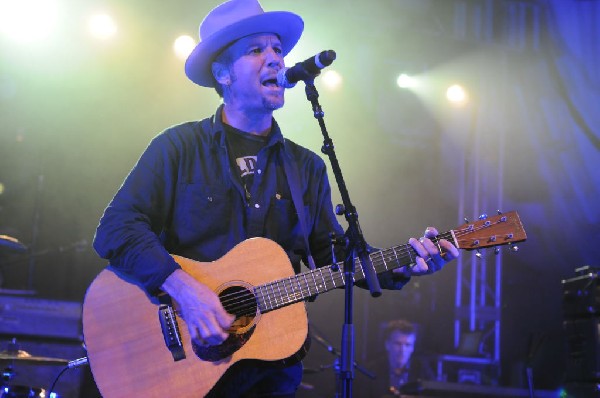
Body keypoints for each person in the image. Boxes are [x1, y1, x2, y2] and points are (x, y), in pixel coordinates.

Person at [92, 0, 459, 396]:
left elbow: (333, 255)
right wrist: (185, 289)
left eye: (278, 50)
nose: (275, 60)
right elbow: (115, 229)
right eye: (256, 50)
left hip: (271, 372)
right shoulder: (178, 148)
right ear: (222, 73)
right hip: (187, 367)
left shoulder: (307, 168)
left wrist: (405, 263)